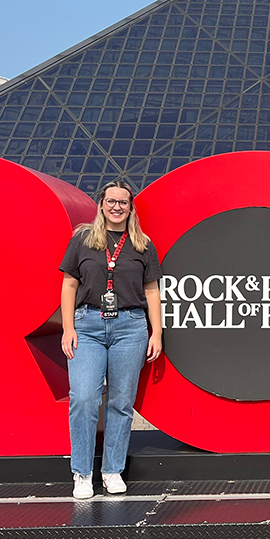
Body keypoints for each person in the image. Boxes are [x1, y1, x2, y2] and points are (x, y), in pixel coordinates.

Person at [60, 180, 163, 499]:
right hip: (87, 326)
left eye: (123, 202)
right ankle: (82, 472)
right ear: (101, 204)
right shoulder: (82, 241)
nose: (117, 207)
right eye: (111, 201)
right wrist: (68, 327)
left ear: (131, 208)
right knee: (84, 399)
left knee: (120, 403)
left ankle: (112, 470)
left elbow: (152, 291)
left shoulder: (143, 245)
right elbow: (68, 286)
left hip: (131, 328)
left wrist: (156, 331)